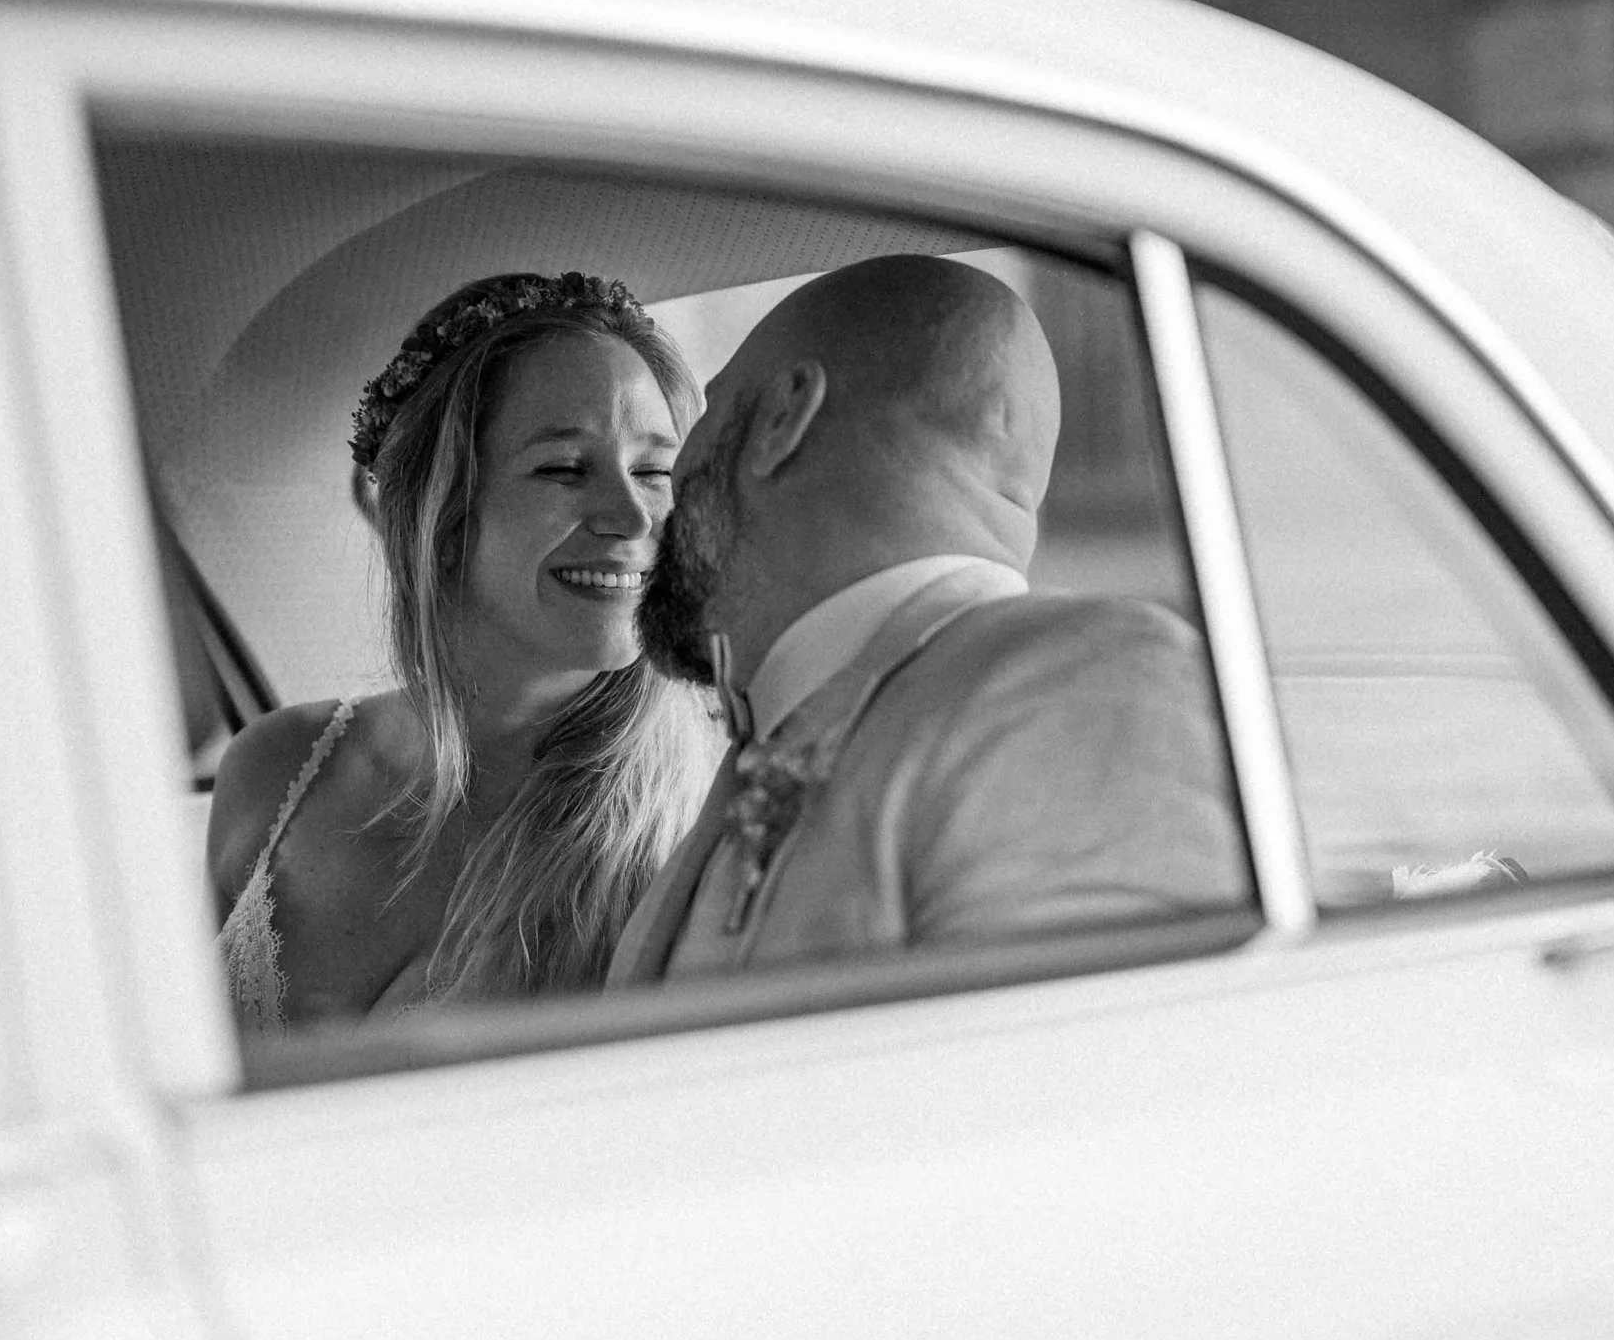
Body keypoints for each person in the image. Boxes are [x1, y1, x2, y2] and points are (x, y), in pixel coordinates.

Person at [610, 254, 1248, 983]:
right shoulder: (757, 746)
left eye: (712, 406)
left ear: (783, 417)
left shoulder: (1093, 689)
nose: (670, 485)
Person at [211, 272, 717, 1030]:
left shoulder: (686, 847)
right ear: (439, 513)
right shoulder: (274, 766)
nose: (632, 515)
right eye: (564, 468)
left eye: (653, 471)